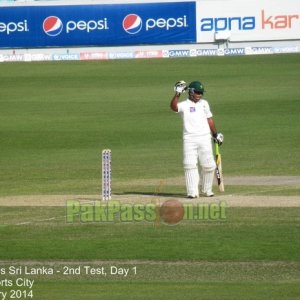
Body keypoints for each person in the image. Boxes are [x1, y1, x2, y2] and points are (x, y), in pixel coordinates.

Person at [170, 80, 223, 198]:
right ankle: (192, 192)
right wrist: (178, 93)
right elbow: (174, 107)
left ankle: (206, 189)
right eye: (198, 92)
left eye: (201, 93)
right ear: (191, 92)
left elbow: (209, 119)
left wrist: (215, 134)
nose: (200, 95)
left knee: (209, 165)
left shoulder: (204, 103)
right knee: (189, 165)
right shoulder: (184, 105)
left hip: (204, 137)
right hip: (189, 139)